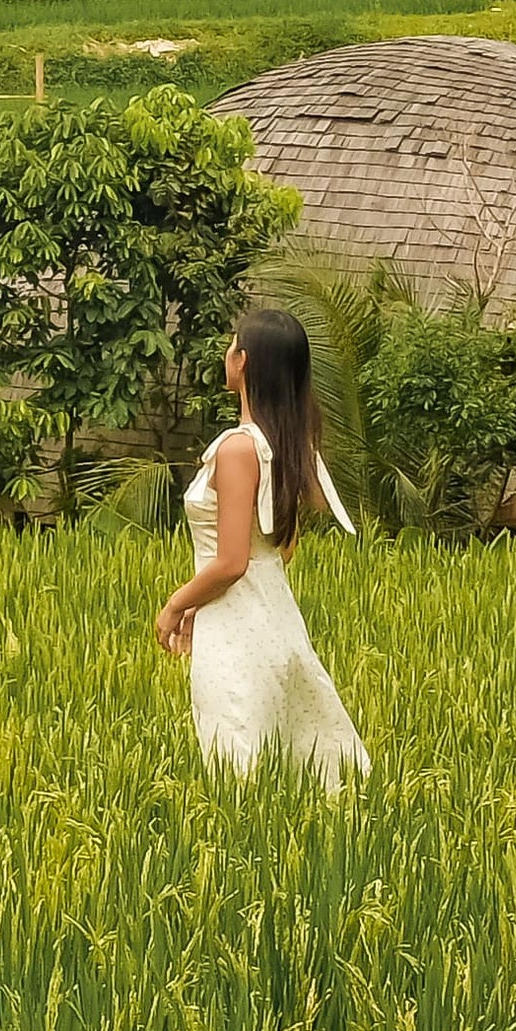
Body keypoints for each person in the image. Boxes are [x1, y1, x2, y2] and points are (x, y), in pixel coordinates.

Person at [153, 306, 370, 785]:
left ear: (243, 362)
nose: (227, 351)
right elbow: (279, 548)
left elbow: (230, 561)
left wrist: (176, 605)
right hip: (276, 620)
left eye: (233, 343)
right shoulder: (287, 443)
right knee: (292, 764)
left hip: (235, 630)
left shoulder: (237, 448)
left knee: (236, 765)